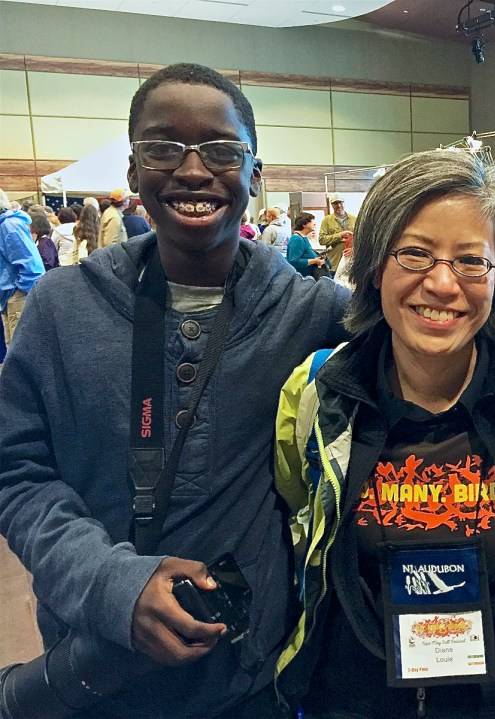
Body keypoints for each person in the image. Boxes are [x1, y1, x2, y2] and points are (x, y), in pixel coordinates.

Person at [0, 63, 350, 719]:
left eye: (221, 150)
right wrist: (113, 585)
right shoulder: (61, 308)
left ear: (254, 173)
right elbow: (17, 470)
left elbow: (430, 328)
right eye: (164, 148)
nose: (193, 170)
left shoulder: (309, 311)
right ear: (133, 173)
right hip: (101, 672)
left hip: (252, 683)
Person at [273, 149, 495, 719]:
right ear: (376, 267)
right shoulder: (319, 395)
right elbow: (298, 507)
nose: (443, 284)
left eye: (472, 261)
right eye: (416, 254)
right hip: (352, 696)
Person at [0, 189, 44, 346]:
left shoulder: (9, 226)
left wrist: (17, 294)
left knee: (21, 353)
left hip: (17, 297)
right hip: (8, 298)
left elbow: (33, 268)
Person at [319, 193, 356, 273]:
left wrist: (354, 250)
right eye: (335, 203)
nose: (339, 205)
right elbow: (321, 240)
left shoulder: (354, 219)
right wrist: (339, 236)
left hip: (351, 263)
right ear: (331, 205)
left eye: (340, 202)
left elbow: (362, 239)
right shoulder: (327, 220)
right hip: (334, 264)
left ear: (344, 203)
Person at [286, 212, 326, 278]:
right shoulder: (297, 239)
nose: (314, 224)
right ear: (304, 224)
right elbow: (294, 261)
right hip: (301, 279)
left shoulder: (304, 238)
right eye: (312, 221)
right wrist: (314, 261)